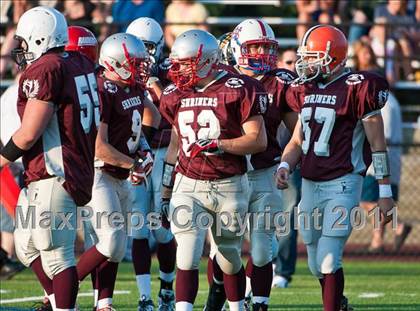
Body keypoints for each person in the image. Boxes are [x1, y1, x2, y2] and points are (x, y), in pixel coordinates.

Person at [276, 25, 394, 311]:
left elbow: (378, 145)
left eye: (315, 57)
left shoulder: (359, 88)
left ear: (334, 57)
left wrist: (385, 191)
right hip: (310, 184)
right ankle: (338, 302)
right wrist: (285, 164)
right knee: (317, 264)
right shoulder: (305, 89)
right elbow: (296, 140)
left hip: (343, 183)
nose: (308, 63)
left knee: (329, 258)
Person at [160, 29, 268, 311]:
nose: (179, 69)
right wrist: (165, 189)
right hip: (188, 182)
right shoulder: (174, 94)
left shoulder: (239, 87)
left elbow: (258, 140)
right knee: (187, 252)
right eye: (178, 62)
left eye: (186, 63)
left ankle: (236, 306)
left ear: (207, 60)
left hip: (229, 183)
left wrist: (220, 143)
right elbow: (174, 146)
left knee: (228, 253)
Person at [1, 6, 98, 310]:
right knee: (27, 246)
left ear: (40, 39)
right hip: (57, 167)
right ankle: (57, 301)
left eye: (26, 41)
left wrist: (1, 159)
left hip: (55, 170)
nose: (23, 49)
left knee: (58, 256)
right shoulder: (78, 62)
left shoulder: (47, 69)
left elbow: (29, 133)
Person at [203, 19, 298, 311]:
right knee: (223, 249)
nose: (261, 53)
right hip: (226, 175)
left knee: (261, 249)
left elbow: (298, 132)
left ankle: (259, 304)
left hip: (264, 172)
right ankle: (217, 293)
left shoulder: (280, 81)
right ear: (237, 48)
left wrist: (286, 164)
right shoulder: (220, 77)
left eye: (266, 48)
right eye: (254, 46)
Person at [75, 32, 160, 311]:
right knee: (110, 243)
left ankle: (104, 303)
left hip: (120, 174)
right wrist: (134, 162)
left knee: (116, 246)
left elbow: (146, 123)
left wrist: (144, 152)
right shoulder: (101, 89)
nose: (140, 68)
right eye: (134, 62)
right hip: (99, 172)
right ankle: (60, 288)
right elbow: (99, 147)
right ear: (115, 63)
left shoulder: (132, 87)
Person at [126, 17, 177, 311]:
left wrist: (155, 85)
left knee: (160, 228)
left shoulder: (172, 71)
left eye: (146, 48)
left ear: (158, 47)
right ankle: (145, 297)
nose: (141, 55)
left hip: (164, 155)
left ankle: (167, 287)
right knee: (138, 228)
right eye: (135, 47)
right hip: (134, 157)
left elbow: (176, 111)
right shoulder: (120, 72)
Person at [352, 43, 412, 253]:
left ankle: (396, 227)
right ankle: (379, 238)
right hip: (390, 160)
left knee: (365, 200)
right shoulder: (391, 101)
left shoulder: (381, 103)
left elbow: (379, 137)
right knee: (381, 199)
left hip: (378, 161)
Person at [272, 47, 300, 290]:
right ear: (280, 62)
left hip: (289, 162)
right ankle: (267, 264)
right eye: (289, 61)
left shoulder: (299, 91)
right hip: (262, 161)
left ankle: (282, 269)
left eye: (296, 62)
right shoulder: (272, 85)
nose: (293, 66)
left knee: (287, 216)